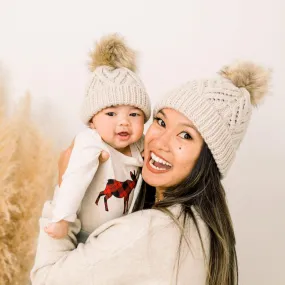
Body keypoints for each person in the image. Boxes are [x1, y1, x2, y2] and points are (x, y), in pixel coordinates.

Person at [31, 60, 270, 285]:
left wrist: (64, 189)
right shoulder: (205, 230)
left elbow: (46, 279)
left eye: (185, 135)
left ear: (209, 159)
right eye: (161, 121)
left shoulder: (148, 233)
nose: (160, 142)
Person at [44, 34, 151, 240]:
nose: (124, 122)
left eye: (134, 114)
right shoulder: (91, 141)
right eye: (111, 114)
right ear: (92, 121)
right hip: (86, 232)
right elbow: (74, 177)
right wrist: (62, 219)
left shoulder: (139, 144)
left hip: (121, 233)